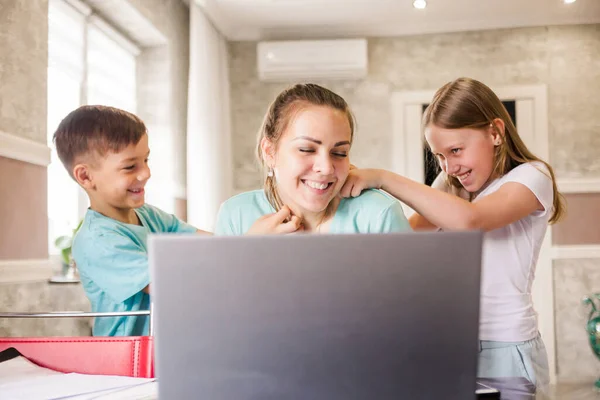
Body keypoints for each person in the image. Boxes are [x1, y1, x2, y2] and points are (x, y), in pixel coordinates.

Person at [340, 77, 565, 389]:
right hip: (452, 346)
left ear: (495, 132)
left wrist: (382, 178)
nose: (448, 167)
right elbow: (409, 239)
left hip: (508, 349)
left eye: (456, 150)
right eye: (440, 156)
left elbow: (471, 221)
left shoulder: (532, 177)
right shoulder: (449, 187)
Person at [53, 105, 207, 336]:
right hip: (124, 360)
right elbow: (173, 286)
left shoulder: (148, 215)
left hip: (160, 349)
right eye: (130, 166)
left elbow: (209, 244)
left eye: (146, 160)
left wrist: (246, 244)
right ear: (86, 176)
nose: (146, 173)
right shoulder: (99, 241)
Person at [215, 83, 411, 236]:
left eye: (339, 153)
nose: (326, 168)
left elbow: (415, 288)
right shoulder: (235, 214)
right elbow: (219, 287)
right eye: (306, 149)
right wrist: (248, 252)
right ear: (269, 152)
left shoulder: (378, 214)